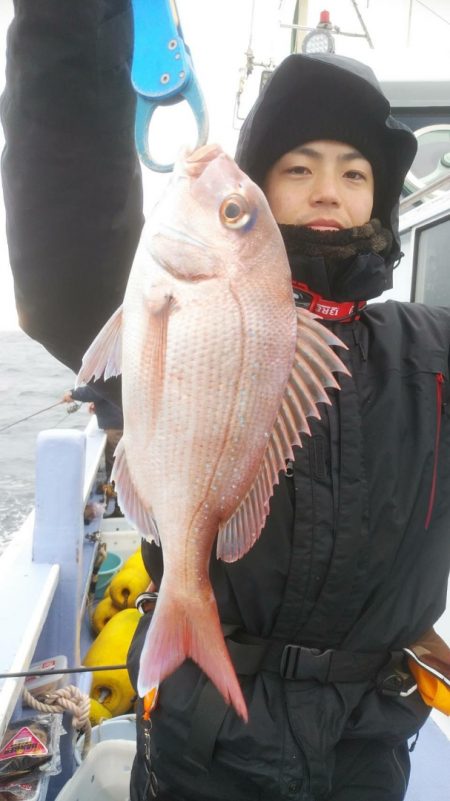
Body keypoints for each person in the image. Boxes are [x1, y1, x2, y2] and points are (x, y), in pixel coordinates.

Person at [2, 6, 450, 801]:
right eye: (298, 167)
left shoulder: (431, 348)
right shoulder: (168, 302)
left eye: (354, 172)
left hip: (370, 746)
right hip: (206, 748)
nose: (328, 191)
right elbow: (67, 225)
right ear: (263, 187)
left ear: (380, 199)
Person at [62, 384, 123, 480]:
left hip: (116, 426)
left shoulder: (106, 370)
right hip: (121, 421)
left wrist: (72, 394)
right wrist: (98, 403)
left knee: (116, 460)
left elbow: (98, 389)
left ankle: (116, 489)